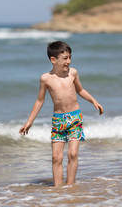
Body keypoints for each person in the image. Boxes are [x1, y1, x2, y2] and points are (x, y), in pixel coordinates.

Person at [19, 41, 104, 187]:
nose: (68, 61)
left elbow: (80, 90)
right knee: (56, 157)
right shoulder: (46, 79)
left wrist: (93, 101)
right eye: (65, 58)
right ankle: (58, 189)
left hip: (75, 118)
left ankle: (70, 187)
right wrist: (29, 122)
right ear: (53, 60)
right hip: (59, 120)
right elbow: (40, 101)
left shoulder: (73, 73)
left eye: (70, 57)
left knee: (72, 154)